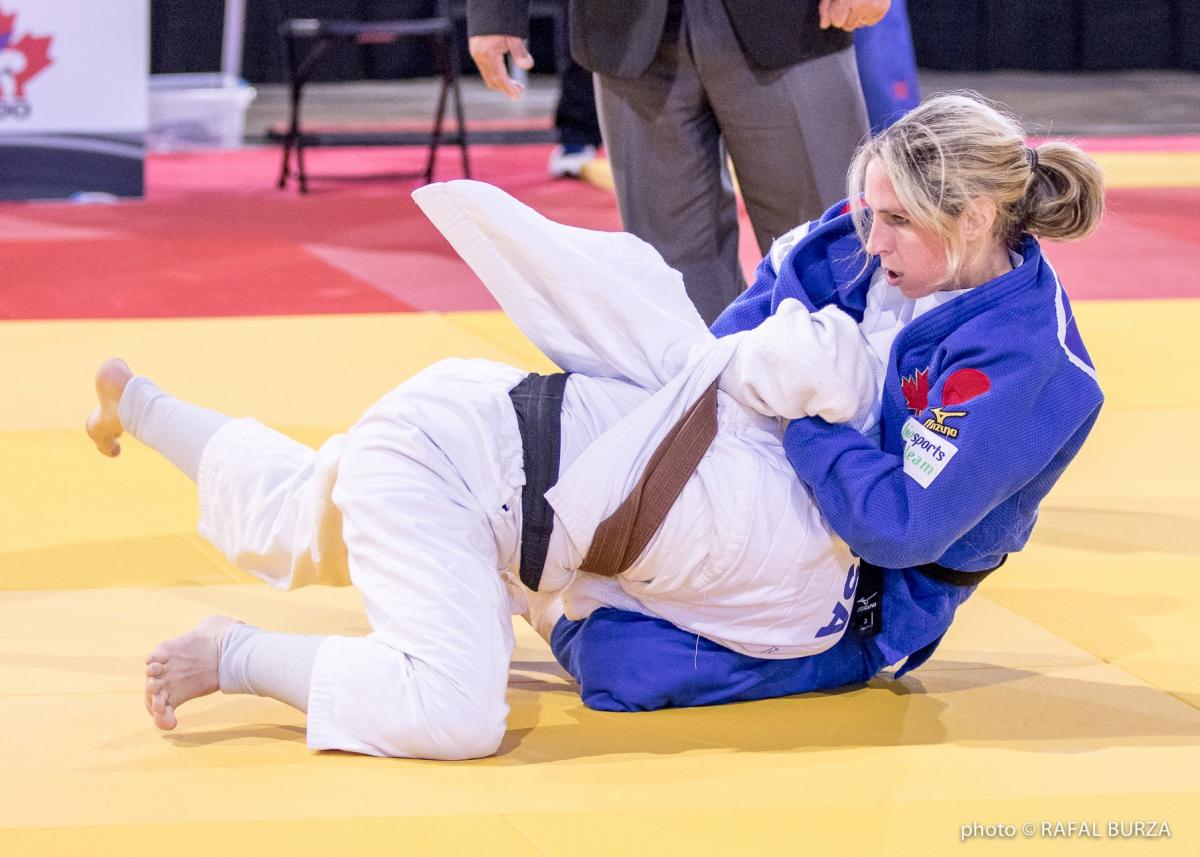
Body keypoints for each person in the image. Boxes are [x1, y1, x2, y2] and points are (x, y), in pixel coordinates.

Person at [86, 178, 886, 760]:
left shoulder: (795, 603)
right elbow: (805, 351)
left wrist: (534, 605)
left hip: (472, 437)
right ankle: (234, 654)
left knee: (303, 512)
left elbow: (614, 604)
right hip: (467, 465)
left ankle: (140, 404)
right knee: (454, 711)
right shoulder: (820, 403)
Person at [549, 93, 1108, 711]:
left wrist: (798, 404)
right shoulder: (840, 242)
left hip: (877, 588)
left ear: (974, 218)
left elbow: (898, 530)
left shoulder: (1026, 358)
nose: (873, 242)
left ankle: (566, 610)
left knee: (624, 664)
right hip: (764, 485)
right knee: (563, 447)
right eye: (873, 212)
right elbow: (717, 361)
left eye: (899, 221)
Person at [468, 0, 889, 324]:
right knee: (674, 273)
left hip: (793, 21)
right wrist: (495, 10)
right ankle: (715, 423)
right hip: (627, 29)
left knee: (831, 249)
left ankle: (856, 424)